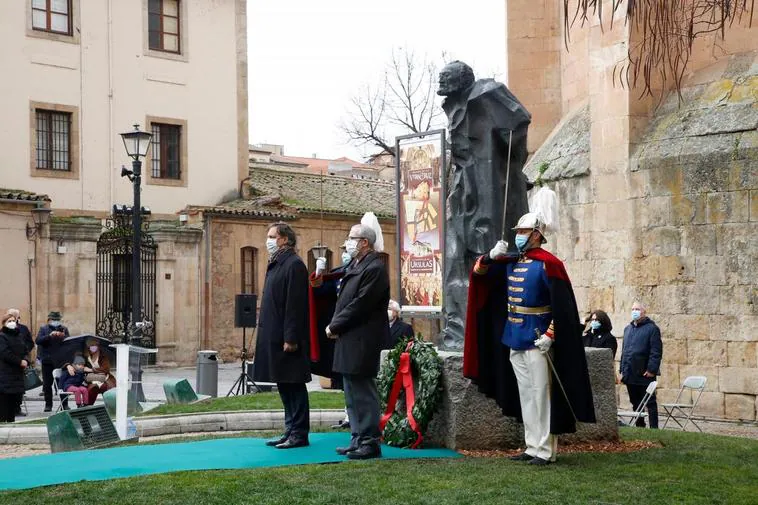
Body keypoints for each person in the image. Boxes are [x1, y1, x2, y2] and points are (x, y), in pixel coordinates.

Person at [463, 212, 595, 465]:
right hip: (514, 335)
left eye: (523, 232)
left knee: (541, 394)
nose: (518, 236)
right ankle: (532, 445)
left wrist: (550, 334)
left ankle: (545, 450)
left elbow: (563, 308)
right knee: (526, 393)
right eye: (518, 232)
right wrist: (489, 257)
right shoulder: (513, 261)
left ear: (536, 234)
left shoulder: (549, 264)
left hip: (538, 338)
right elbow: (479, 276)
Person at [437, 60, 531, 348]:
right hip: (464, 190)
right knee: (455, 257)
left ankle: (486, 330)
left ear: (461, 79)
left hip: (490, 190)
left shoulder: (487, 94)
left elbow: (519, 122)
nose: (441, 81)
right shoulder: (455, 107)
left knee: (487, 253)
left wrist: (511, 161)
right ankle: (460, 329)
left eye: (446, 77)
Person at [326, 223, 390, 460]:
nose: (348, 242)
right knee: (351, 391)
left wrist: (335, 325)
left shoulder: (374, 268)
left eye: (352, 238)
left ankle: (370, 441)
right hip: (349, 337)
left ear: (364, 242)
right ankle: (357, 437)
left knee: (363, 391)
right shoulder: (355, 265)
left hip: (363, 337)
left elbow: (360, 304)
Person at [254, 222, 311, 449]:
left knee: (294, 384)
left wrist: (291, 338)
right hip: (274, 334)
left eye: (272, 236)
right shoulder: (277, 263)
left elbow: (294, 305)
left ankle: (299, 433)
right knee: (284, 385)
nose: (268, 240)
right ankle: (290, 430)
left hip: (287, 338)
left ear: (284, 239)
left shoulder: (294, 265)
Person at [620, 301, 662, 428]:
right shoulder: (627, 329)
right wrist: (622, 370)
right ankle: (640, 426)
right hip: (630, 373)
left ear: (644, 311)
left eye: (637, 309)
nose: (634, 311)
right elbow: (625, 352)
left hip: (645, 374)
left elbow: (656, 351)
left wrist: (651, 369)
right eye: (632, 308)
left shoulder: (652, 329)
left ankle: (654, 428)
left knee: (650, 403)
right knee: (635, 402)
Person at [35, 311, 70, 412]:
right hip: (47, 360)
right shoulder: (43, 329)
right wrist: (49, 336)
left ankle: (65, 404)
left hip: (60, 360)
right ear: (49, 320)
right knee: (47, 384)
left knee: (62, 383)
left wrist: (63, 336)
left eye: (57, 320)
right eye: (53, 320)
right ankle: (48, 404)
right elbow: (38, 340)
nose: (55, 321)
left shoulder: (64, 329)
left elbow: (69, 343)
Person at [0, 313, 29, 423]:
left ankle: (11, 422)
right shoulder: (2, 336)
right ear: (4, 323)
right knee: (4, 403)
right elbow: (5, 353)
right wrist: (19, 361)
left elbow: (25, 350)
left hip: (17, 375)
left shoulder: (19, 336)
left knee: (14, 403)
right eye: (9, 321)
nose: (12, 323)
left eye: (13, 320)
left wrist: (26, 360)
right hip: (5, 374)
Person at [6, 309, 34, 416]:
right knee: (8, 387)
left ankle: (17, 408)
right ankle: (9, 408)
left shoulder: (23, 329)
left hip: (21, 362)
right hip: (8, 363)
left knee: (19, 387)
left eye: (14, 316)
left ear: (17, 317)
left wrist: (25, 356)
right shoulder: (3, 331)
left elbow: (30, 343)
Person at [83, 338, 116, 405]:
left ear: (98, 347)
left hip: (105, 379)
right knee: (92, 389)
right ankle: (87, 407)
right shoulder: (86, 357)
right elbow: (79, 365)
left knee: (106, 389)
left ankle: (110, 406)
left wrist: (92, 370)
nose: (93, 348)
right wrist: (69, 365)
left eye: (95, 346)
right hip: (93, 379)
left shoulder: (103, 357)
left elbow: (106, 369)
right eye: (91, 346)